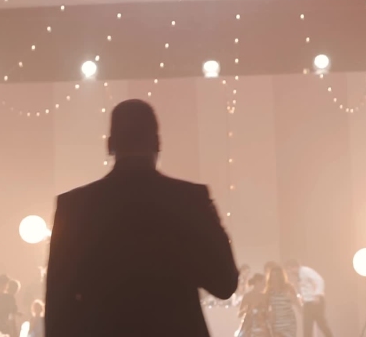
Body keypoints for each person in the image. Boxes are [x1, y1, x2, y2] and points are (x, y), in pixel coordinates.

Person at [44, 99, 238, 337]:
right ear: (157, 143)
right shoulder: (190, 199)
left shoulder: (74, 207)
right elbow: (225, 283)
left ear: (109, 145)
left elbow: (57, 312)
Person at [286, 259, 335, 337]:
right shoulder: (299, 275)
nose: (289, 272)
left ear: (293, 267)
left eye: (289, 269)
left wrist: (317, 295)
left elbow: (319, 280)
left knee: (321, 324)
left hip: (315, 301)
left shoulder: (306, 271)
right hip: (308, 303)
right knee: (307, 326)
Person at [266, 265, 300, 337]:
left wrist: (304, 313)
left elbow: (297, 303)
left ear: (280, 276)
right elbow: (266, 306)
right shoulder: (269, 290)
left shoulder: (288, 288)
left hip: (289, 322)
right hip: (276, 322)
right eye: (272, 275)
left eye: (276, 275)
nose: (274, 278)